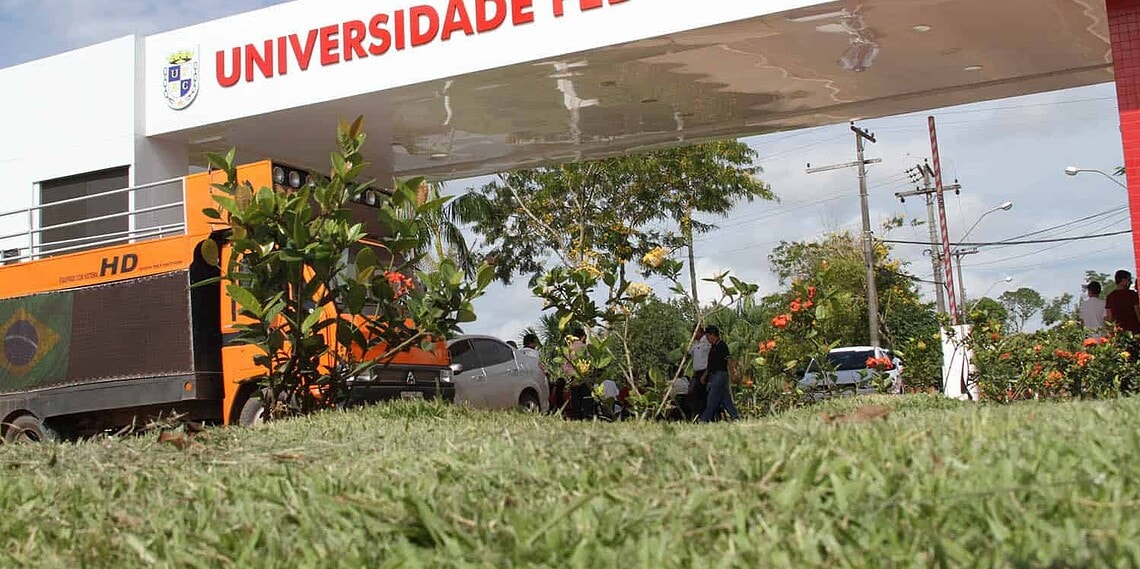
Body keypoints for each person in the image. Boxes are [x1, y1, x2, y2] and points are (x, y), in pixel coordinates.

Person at [700, 325, 740, 422]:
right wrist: (704, 375)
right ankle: (735, 417)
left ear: (712, 335)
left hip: (720, 375)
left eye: (707, 337)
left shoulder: (722, 345)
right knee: (725, 399)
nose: (707, 339)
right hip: (713, 375)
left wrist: (733, 374)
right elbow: (710, 364)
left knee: (712, 398)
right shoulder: (713, 347)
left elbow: (729, 360)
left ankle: (704, 419)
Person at [1105, 270, 1140, 335]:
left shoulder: (1110, 296)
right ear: (1123, 280)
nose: (1130, 282)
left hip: (1119, 331)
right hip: (1134, 329)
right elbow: (1137, 312)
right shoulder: (1132, 294)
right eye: (1129, 280)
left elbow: (1110, 318)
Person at [686, 325, 710, 419]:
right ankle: (696, 415)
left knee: (703, 395)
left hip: (705, 372)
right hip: (696, 372)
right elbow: (689, 353)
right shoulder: (695, 343)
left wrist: (706, 374)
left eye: (695, 332)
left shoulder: (707, 342)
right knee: (692, 394)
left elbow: (711, 358)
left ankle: (705, 416)